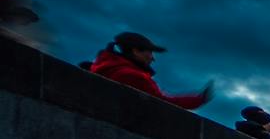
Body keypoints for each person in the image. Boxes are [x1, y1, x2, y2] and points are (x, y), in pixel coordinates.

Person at [83, 32, 212, 110]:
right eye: (149, 52)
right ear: (135, 51)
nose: (152, 58)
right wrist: (199, 99)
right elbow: (163, 103)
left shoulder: (105, 69)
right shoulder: (131, 76)